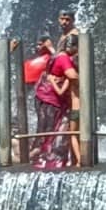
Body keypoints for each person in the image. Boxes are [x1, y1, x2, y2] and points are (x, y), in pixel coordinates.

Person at [34, 34, 79, 168]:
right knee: (52, 129)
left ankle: (44, 158)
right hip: (51, 99)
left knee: (47, 129)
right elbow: (73, 75)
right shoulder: (64, 58)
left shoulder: (57, 55)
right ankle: (49, 159)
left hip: (44, 96)